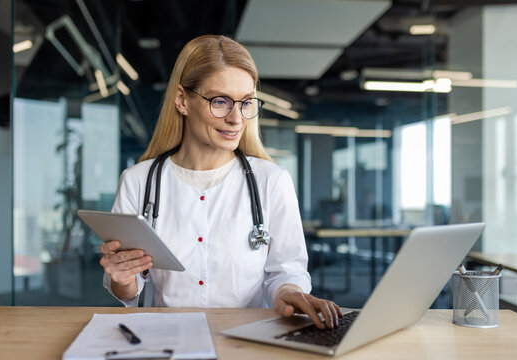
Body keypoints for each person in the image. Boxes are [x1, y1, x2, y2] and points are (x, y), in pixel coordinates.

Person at [99, 35, 341, 329]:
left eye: (246, 103)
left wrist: (289, 293)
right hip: (165, 341)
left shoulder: (272, 181)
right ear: (182, 100)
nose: (236, 119)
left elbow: (286, 271)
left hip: (247, 341)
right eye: (220, 101)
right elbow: (129, 288)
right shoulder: (138, 181)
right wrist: (122, 277)